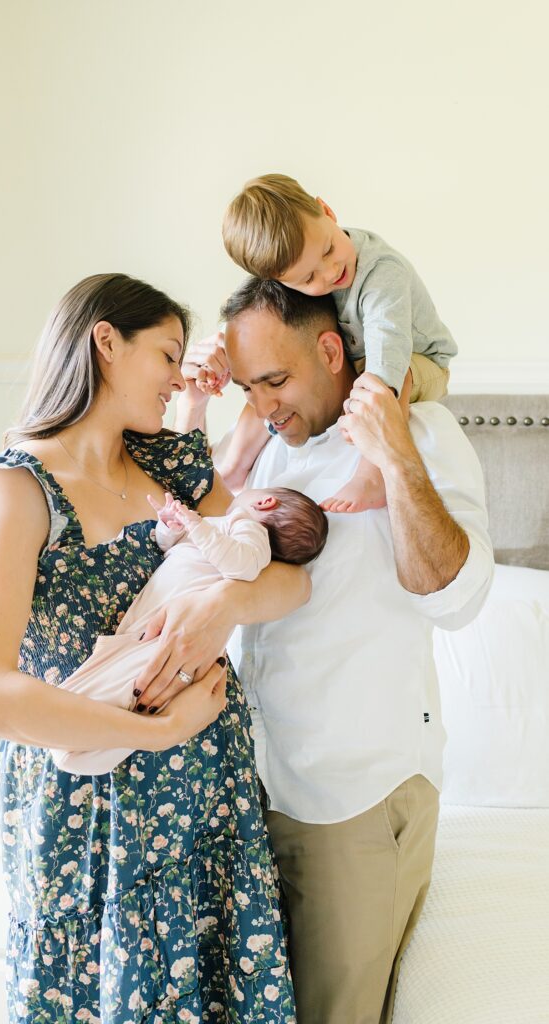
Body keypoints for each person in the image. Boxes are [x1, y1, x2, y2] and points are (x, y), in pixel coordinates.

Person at [0, 273, 311, 1024]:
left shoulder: (168, 471)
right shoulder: (11, 492)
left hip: (207, 810)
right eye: (165, 355)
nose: (177, 379)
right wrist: (159, 731)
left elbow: (289, 580)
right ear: (106, 342)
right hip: (95, 823)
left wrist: (222, 604)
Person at [175, 277, 494, 1024]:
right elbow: (187, 528)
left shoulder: (423, 430)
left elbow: (457, 600)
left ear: (328, 350)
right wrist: (195, 403)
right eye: (249, 388)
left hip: (354, 801)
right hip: (256, 790)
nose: (264, 404)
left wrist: (395, 458)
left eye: (275, 381)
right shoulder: (267, 443)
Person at [213, 173, 457, 513]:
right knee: (263, 381)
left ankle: (372, 475)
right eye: (308, 278)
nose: (329, 272)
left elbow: (388, 352)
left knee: (387, 380)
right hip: (362, 357)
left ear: (326, 211)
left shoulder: (382, 273)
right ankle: (233, 464)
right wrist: (223, 350)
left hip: (419, 360)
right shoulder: (294, 266)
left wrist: (364, 408)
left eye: (328, 249)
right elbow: (258, 317)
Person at [52, 486, 327, 774]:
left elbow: (241, 565)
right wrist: (171, 527)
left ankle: (106, 742)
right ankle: (108, 741)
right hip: (151, 634)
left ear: (265, 501)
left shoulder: (248, 529)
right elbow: (171, 547)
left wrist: (197, 525)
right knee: (74, 724)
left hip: (164, 640)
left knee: (74, 727)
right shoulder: (221, 530)